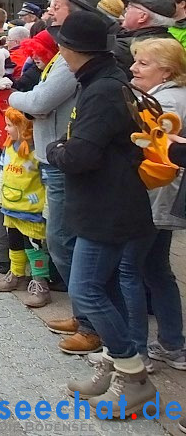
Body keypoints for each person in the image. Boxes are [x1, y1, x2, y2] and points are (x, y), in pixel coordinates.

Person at [46, 11, 156, 416]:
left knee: (87, 290)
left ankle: (133, 376)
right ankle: (115, 365)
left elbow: (81, 153)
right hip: (105, 202)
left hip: (107, 206)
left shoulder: (103, 89)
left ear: (71, 50)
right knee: (104, 289)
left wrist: (54, 151)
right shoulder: (101, 81)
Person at [9, 0, 103, 355]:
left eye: (56, 5)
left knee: (63, 240)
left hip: (63, 156)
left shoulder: (70, 57)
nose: (49, 11)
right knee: (61, 239)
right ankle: (85, 316)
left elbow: (41, 99)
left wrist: (14, 95)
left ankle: (91, 323)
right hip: (53, 154)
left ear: (75, 11)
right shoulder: (62, 53)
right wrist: (31, 101)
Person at [127, 38, 186, 371]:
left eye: (143, 63)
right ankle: (172, 345)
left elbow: (154, 151)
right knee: (156, 269)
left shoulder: (164, 103)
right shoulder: (167, 96)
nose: (134, 68)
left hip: (155, 194)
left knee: (130, 269)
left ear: (166, 70)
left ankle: (138, 353)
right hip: (161, 196)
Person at [0, 108, 49, 308]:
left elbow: (46, 181)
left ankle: (40, 282)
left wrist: (47, 208)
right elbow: (3, 173)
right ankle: (16, 274)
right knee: (14, 242)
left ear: (24, 128)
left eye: (9, 125)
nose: (5, 129)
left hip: (31, 209)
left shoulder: (37, 152)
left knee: (33, 245)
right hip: (10, 205)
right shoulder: (8, 148)